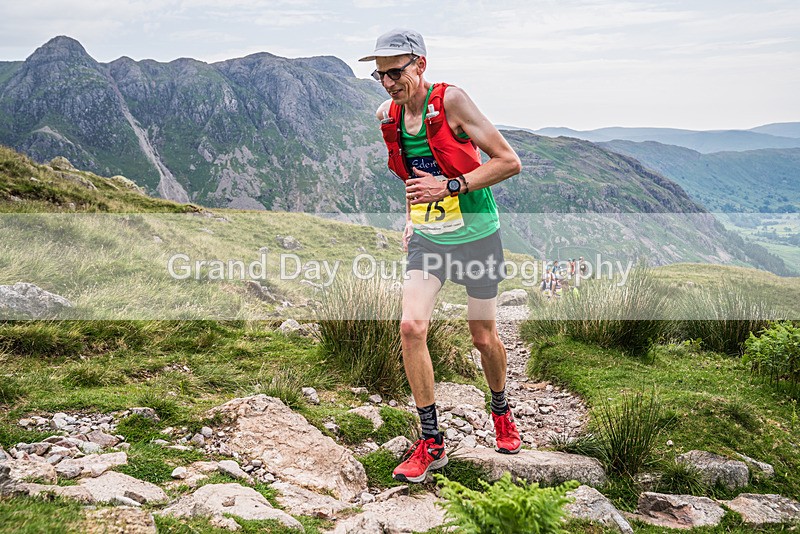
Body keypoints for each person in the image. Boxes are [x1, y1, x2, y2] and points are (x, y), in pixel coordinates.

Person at [361, 28, 523, 483]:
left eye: (396, 72)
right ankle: (432, 442)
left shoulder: (452, 102)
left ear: (420, 65)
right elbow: (415, 173)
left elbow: (509, 161)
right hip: (431, 237)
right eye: (380, 75)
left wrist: (451, 186)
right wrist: (415, 213)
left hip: (476, 234)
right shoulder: (388, 116)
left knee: (482, 337)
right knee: (411, 327)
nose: (389, 82)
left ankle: (501, 410)